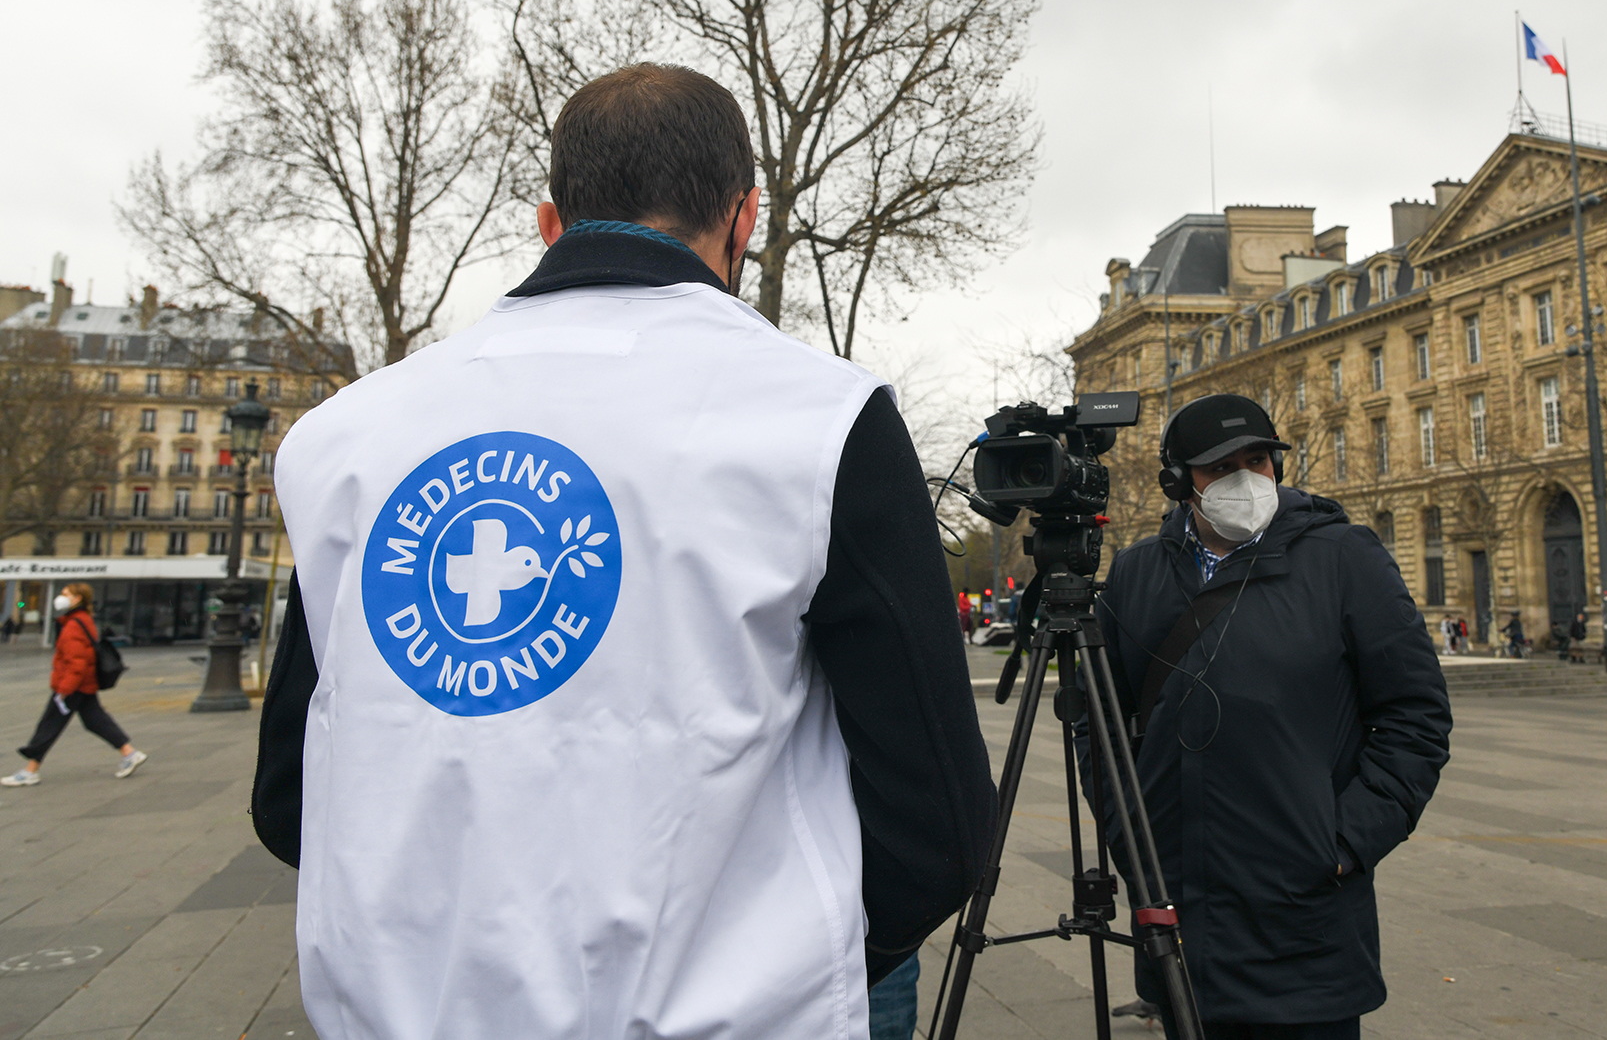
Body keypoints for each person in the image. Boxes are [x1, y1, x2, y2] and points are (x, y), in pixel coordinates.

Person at [251, 64, 995, 1039]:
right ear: (744, 217)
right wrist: (770, 967)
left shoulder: (344, 437)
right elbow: (939, 825)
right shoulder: (819, 420)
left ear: (549, 222)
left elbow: (291, 794)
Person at [1090, 393, 1451, 1036]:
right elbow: (1098, 725)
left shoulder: (1345, 557)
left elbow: (1414, 715)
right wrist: (1131, 837)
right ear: (1178, 482)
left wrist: (1343, 844)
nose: (1246, 480)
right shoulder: (1135, 573)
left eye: (1257, 461)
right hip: (1178, 920)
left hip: (1305, 925)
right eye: (1220, 468)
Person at [2, 584, 145, 786]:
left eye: (65, 594)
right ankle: (129, 753)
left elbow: (77, 662)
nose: (61, 597)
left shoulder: (73, 625)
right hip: (84, 684)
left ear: (77, 599)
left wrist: (64, 691)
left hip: (72, 686)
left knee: (49, 726)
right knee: (95, 721)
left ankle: (30, 771)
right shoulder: (82, 619)